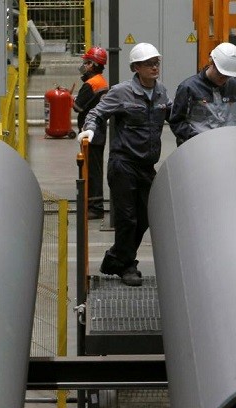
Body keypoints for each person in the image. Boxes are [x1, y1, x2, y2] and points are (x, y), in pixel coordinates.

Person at [77, 42, 171, 287]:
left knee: (145, 217)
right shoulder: (121, 92)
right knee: (127, 218)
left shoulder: (161, 92)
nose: (154, 67)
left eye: (156, 63)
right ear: (136, 67)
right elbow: (96, 113)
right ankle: (128, 265)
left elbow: (174, 115)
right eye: (148, 64)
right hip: (123, 163)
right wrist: (90, 129)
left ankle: (115, 259)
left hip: (146, 165)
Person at [73, 46, 109, 219]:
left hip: (90, 133)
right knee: (95, 169)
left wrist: (69, 98)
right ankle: (94, 204)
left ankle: (95, 207)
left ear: (93, 65)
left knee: (92, 171)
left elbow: (78, 107)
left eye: (87, 63)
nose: (84, 66)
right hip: (98, 131)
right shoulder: (101, 81)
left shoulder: (91, 84)